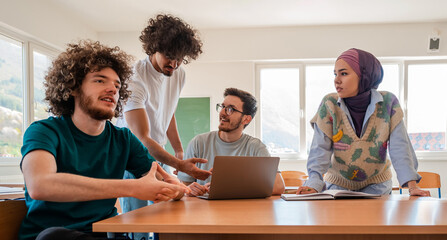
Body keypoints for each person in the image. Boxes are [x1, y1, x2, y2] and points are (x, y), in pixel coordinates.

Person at [19, 40, 188, 240]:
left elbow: (163, 181)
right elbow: (41, 185)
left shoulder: (123, 139)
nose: (112, 89)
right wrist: (133, 188)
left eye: (117, 85)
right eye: (100, 81)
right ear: (72, 87)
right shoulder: (43, 131)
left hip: (105, 235)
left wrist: (179, 189)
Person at [115, 14, 210, 240]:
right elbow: (142, 138)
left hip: (159, 156)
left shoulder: (179, 74)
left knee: (167, 217)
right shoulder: (134, 78)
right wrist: (181, 165)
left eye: (180, 59)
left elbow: (168, 110)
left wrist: (178, 149)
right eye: (170, 57)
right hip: (132, 156)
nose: (174, 64)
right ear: (153, 47)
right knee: (138, 224)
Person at [297, 48, 430, 196]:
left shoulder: (389, 103)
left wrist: (412, 187)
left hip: (378, 186)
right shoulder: (329, 104)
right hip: (337, 185)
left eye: (344, 73)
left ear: (364, 75)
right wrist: (314, 183)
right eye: (335, 74)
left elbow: (400, 148)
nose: (336, 80)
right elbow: (319, 149)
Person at [177, 88, 285, 196]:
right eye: (223, 107)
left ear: (246, 119)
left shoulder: (256, 147)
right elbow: (184, 185)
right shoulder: (198, 143)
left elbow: (278, 187)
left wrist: (231, 185)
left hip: (244, 210)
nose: (223, 113)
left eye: (231, 109)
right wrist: (190, 189)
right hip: (205, 209)